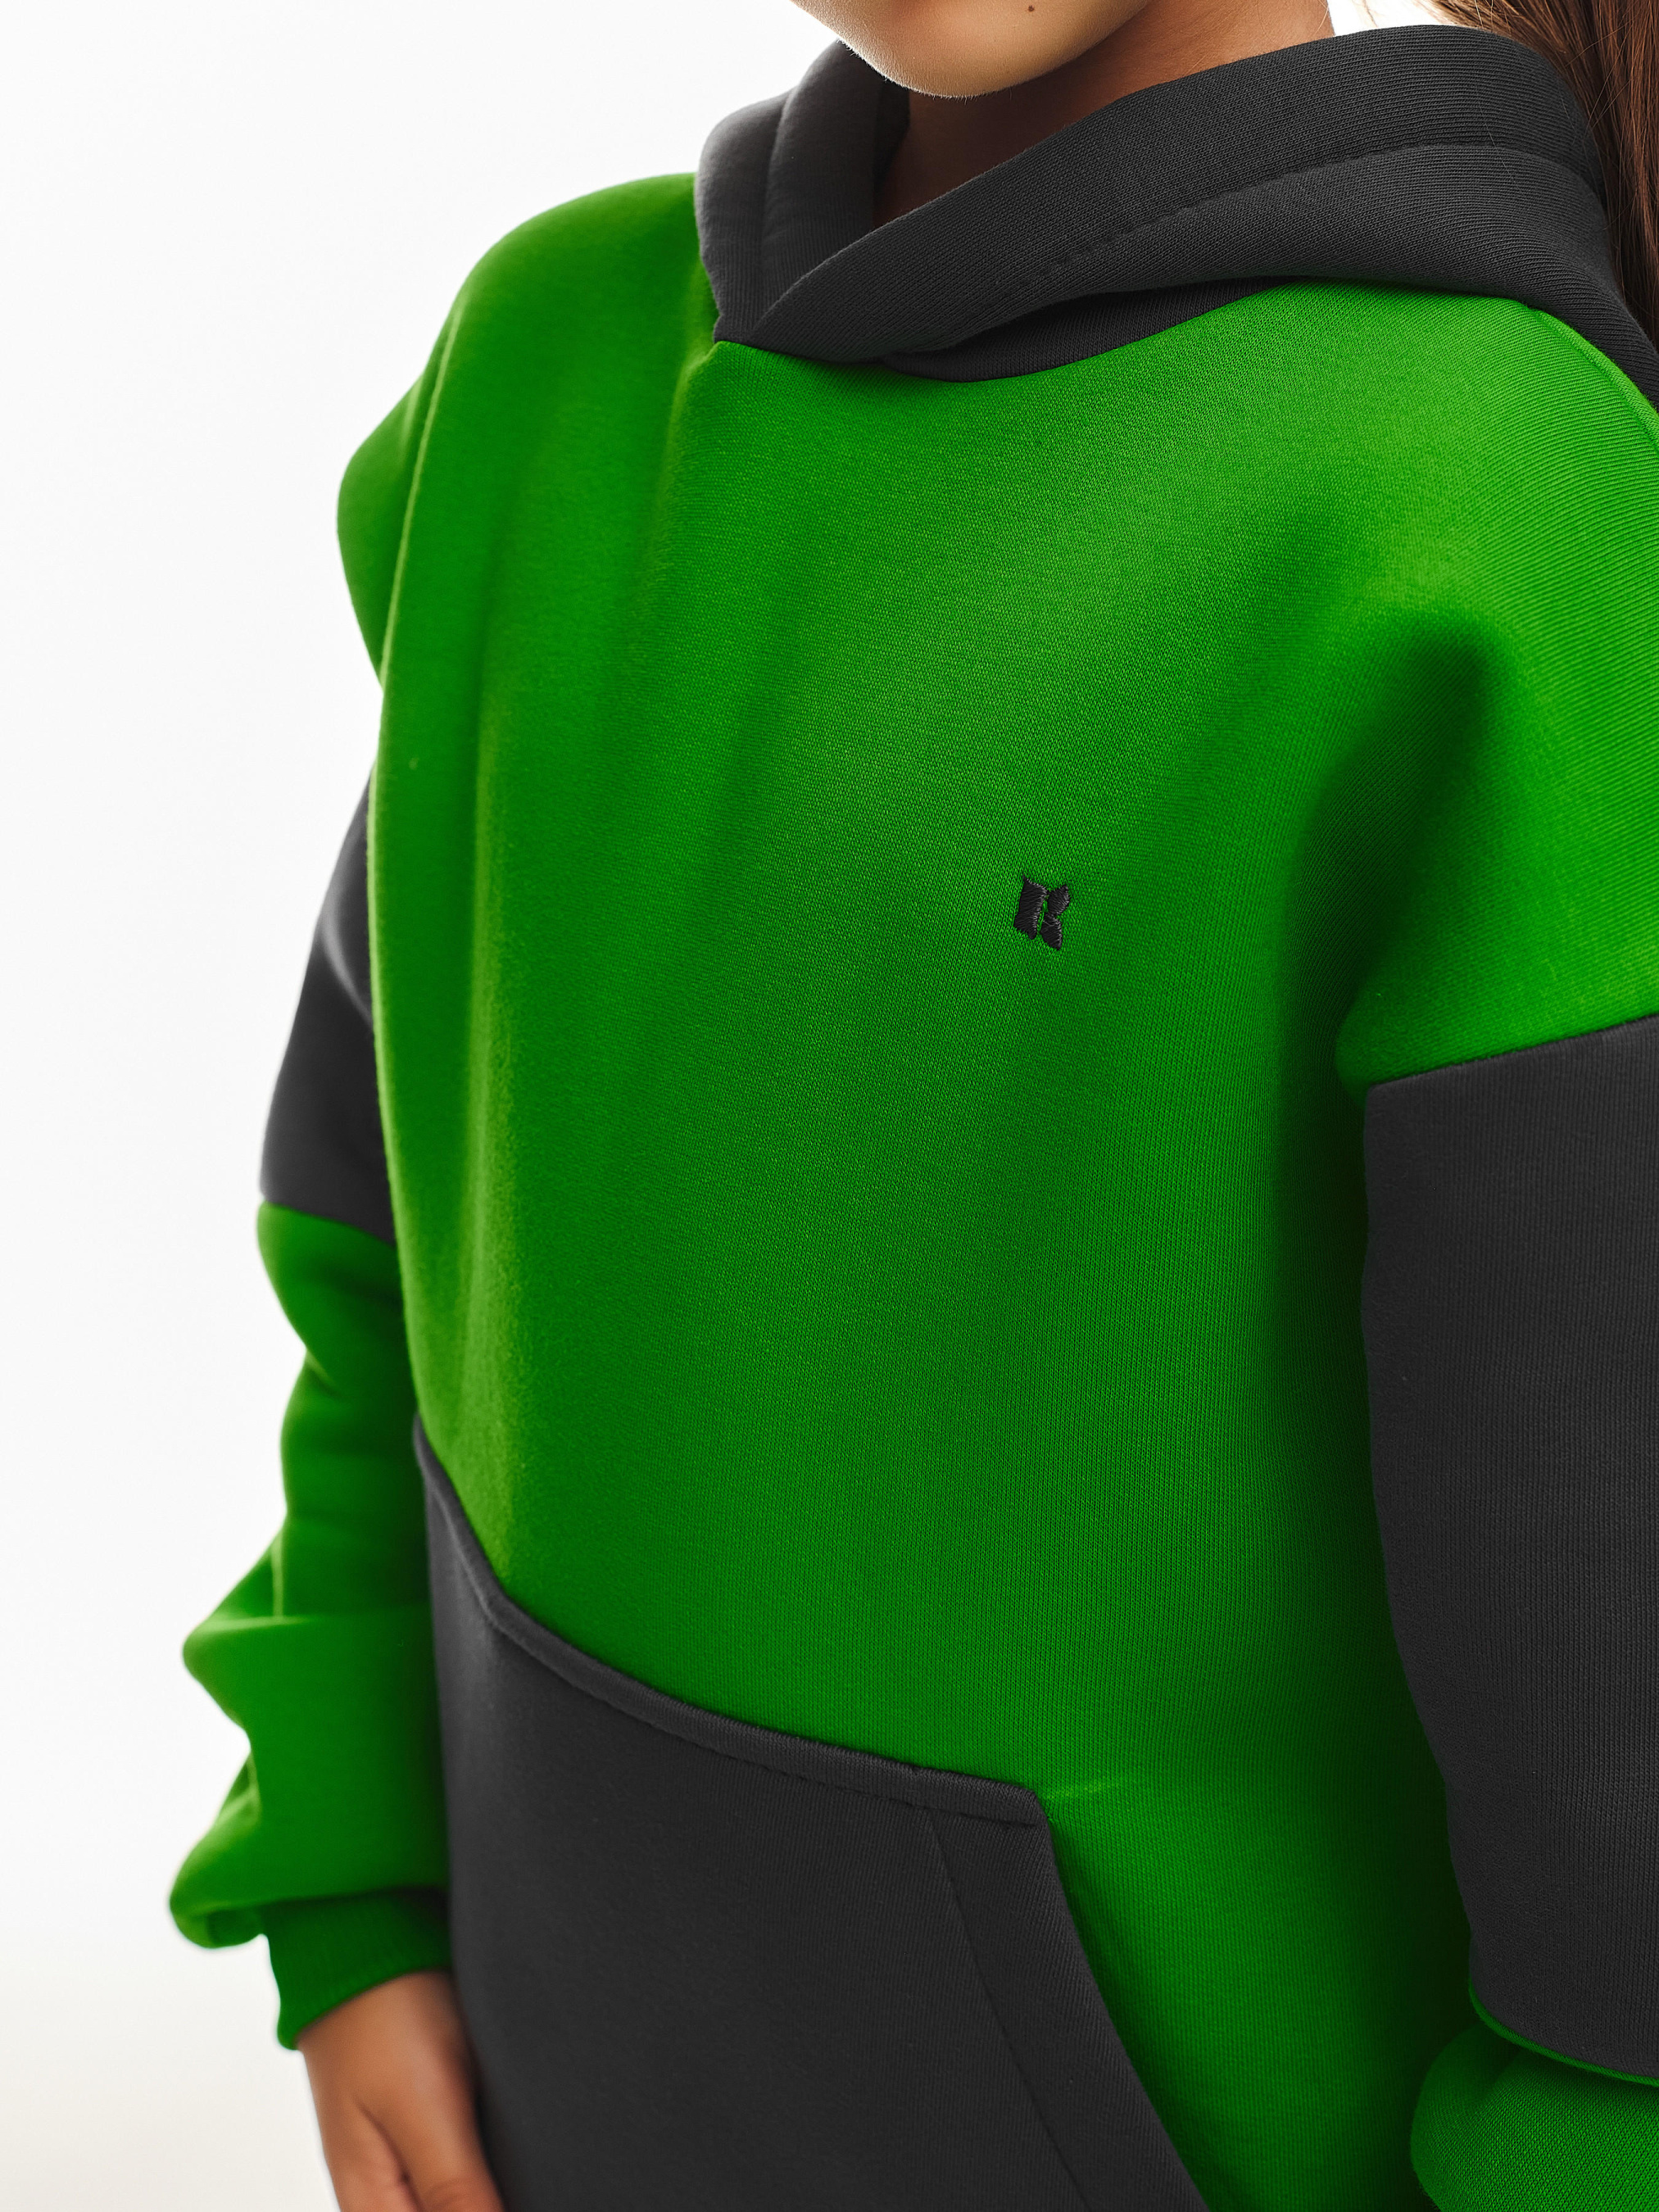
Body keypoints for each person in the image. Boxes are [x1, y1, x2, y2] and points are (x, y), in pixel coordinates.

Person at [170, 0, 1659, 2201]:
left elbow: (1616, 1773)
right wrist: (358, 1875)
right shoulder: (531, 381)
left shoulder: (1506, 511)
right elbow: (369, 1226)